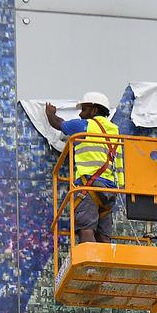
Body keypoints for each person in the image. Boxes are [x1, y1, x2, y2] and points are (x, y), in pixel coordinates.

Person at [45, 92, 123, 243]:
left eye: (84, 109)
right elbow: (119, 164)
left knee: (86, 229)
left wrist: (50, 113)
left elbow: (58, 124)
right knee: (103, 235)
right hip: (110, 190)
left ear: (94, 110)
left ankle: (91, 267)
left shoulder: (85, 125)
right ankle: (105, 267)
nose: (81, 114)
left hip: (89, 185)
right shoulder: (115, 131)